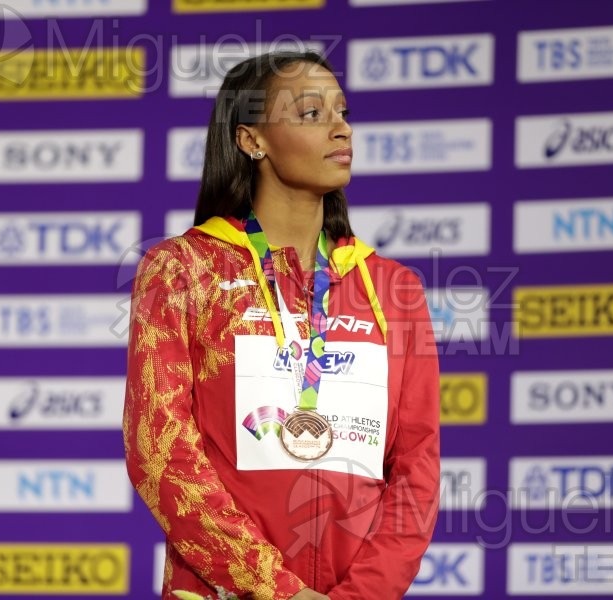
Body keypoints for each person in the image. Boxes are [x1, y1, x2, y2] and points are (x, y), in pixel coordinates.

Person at [123, 49, 440, 600]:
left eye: (343, 112)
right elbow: (159, 450)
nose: (341, 129)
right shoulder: (182, 271)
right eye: (312, 114)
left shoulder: (393, 288)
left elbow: (417, 469)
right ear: (252, 141)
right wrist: (280, 592)